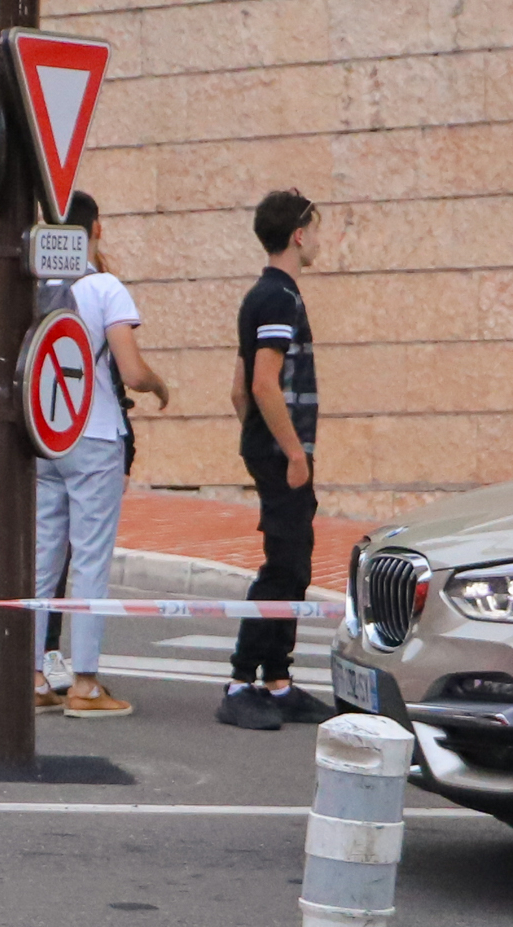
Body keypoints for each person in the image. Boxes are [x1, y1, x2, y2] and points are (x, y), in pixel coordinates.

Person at [32, 191, 169, 719]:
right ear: (97, 230)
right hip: (94, 434)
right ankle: (85, 683)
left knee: (44, 557)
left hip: (46, 437)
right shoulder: (105, 287)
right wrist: (159, 386)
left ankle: (36, 676)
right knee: (89, 558)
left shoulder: (36, 290)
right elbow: (131, 371)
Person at [217, 189, 333, 730]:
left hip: (269, 447)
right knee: (284, 565)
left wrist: (259, 440)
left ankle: (277, 680)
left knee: (295, 562)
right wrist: (289, 452)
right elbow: (263, 384)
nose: (319, 238)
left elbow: (238, 390)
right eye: (316, 227)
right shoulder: (279, 298)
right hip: (285, 452)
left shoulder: (262, 295)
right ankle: (241, 681)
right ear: (299, 234)